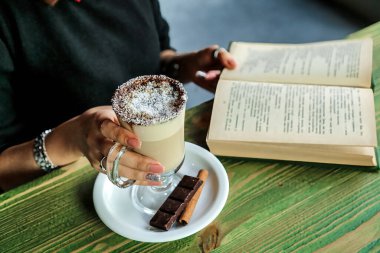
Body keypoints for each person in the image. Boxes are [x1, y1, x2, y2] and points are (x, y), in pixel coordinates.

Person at [0, 0, 237, 191]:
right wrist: (72, 138)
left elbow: (157, 55)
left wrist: (187, 65)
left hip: (149, 167)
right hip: (61, 189)